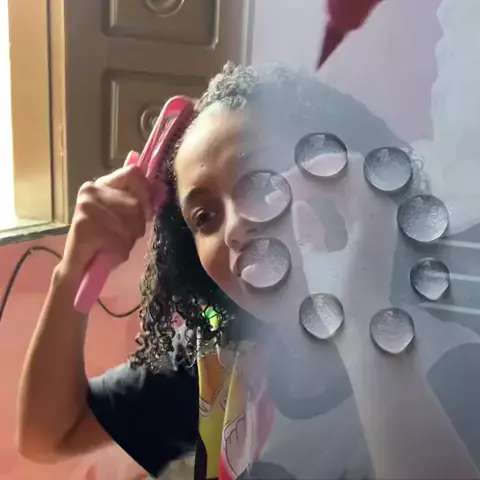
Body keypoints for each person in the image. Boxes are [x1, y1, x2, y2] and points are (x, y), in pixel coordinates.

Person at [16, 63, 480, 480]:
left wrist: (357, 318)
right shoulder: (219, 367)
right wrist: (72, 272)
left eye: (259, 181)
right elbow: (49, 436)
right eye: (205, 218)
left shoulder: (455, 370)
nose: (234, 228)